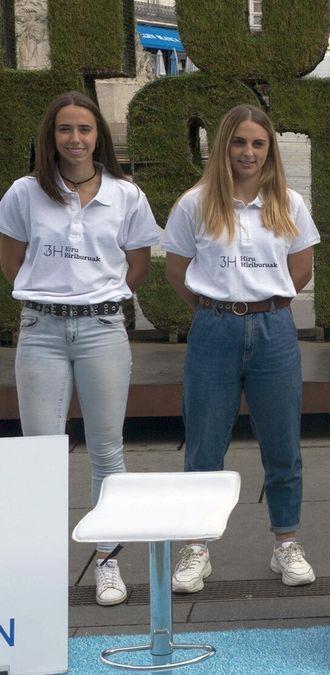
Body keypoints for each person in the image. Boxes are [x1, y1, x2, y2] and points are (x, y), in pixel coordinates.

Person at [0, 91, 159, 606]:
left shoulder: (126, 194)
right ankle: (41, 566)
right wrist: (53, 299)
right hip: (42, 331)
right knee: (41, 452)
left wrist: (100, 298)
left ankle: (107, 562)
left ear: (98, 137)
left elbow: (138, 263)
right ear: (51, 137)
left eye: (84, 130)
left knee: (107, 451)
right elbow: (12, 262)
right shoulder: (24, 193)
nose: (75, 139)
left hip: (102, 331)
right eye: (65, 130)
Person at [162, 105, 320, 592]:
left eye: (257, 143)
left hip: (273, 330)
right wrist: (218, 308)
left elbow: (301, 270)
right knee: (205, 443)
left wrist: (263, 305)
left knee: (282, 444)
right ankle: (196, 548)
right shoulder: (195, 204)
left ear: (269, 149)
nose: (248, 152)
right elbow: (176, 270)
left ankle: (286, 542)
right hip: (214, 331)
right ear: (222, 146)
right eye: (238, 143)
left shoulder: (288, 203)